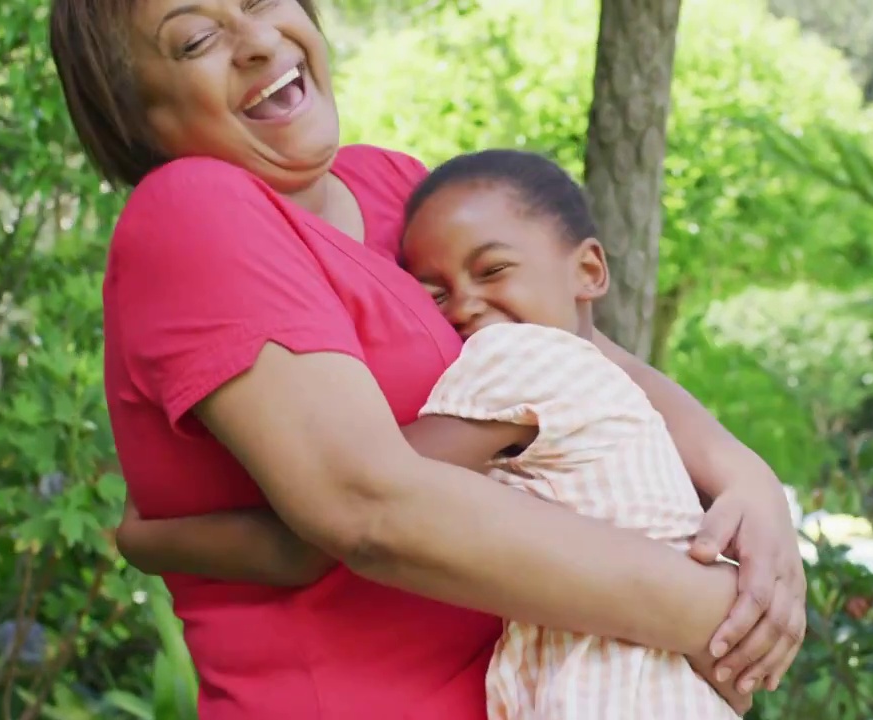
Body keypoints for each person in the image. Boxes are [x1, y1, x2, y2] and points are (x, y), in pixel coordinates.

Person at [49, 2, 806, 718]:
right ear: (133, 116)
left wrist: (745, 477)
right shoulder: (195, 206)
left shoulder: (398, 189)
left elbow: (575, 353)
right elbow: (369, 507)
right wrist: (714, 613)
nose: (254, 39)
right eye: (194, 40)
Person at [123, 148, 745, 720]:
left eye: (492, 271)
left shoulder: (520, 365)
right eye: (436, 292)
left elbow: (362, 499)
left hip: (611, 688)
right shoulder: (601, 381)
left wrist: (155, 539)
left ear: (588, 269)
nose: (464, 305)